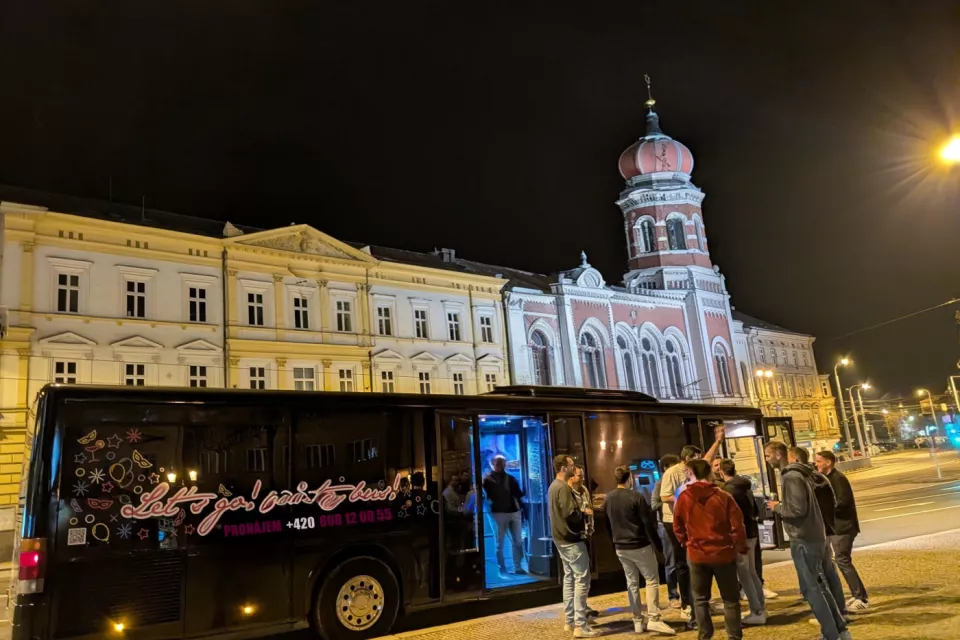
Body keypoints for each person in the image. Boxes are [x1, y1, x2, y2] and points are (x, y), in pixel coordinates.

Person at [765, 441, 851, 640]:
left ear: (778, 454)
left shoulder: (791, 476)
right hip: (814, 535)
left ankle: (831, 633)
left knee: (811, 588)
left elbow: (796, 509)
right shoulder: (803, 474)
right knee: (820, 585)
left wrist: (777, 506)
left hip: (803, 538)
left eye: (768, 455)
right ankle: (839, 630)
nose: (767, 460)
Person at [659, 427, 725, 629]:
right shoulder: (672, 473)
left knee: (697, 562)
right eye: (695, 457)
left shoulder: (696, 468)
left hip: (691, 520)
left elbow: (707, 459)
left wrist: (718, 441)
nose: (700, 460)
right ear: (687, 459)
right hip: (674, 520)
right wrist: (685, 498)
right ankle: (687, 602)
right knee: (682, 564)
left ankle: (700, 603)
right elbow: (664, 496)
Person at [673, 459, 746, 640]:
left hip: (697, 553)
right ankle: (734, 636)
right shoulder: (723, 497)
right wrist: (740, 547)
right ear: (709, 474)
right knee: (730, 599)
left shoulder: (684, 497)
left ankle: (705, 636)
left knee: (700, 599)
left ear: (692, 473)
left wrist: (686, 543)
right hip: (723, 552)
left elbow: (677, 526)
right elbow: (737, 525)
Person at [605, 465, 676, 636]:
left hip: (620, 547)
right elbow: (647, 523)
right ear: (629, 478)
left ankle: (637, 620)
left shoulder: (608, 498)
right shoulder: (635, 497)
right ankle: (654, 618)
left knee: (632, 583)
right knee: (651, 580)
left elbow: (608, 524)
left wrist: (614, 543)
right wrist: (657, 545)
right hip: (639, 545)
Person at [789, 447, 848, 624]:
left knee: (821, 574)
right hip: (824, 529)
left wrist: (778, 506)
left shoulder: (807, 478)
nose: (816, 463)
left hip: (817, 531)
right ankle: (839, 611)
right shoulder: (817, 476)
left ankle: (832, 617)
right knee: (828, 571)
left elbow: (802, 508)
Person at [549, 455, 598, 637]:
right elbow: (571, 514)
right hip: (571, 540)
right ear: (563, 468)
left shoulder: (553, 486)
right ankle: (580, 625)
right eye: (570, 464)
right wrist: (584, 515)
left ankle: (569, 622)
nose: (573, 467)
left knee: (569, 579)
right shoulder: (563, 488)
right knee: (581, 581)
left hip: (560, 539)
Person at [817, 450, 868, 612]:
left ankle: (861, 598)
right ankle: (856, 594)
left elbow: (842, 502)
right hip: (837, 527)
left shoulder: (838, 479)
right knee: (841, 560)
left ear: (828, 462)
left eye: (819, 461)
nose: (816, 464)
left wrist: (825, 509)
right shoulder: (828, 479)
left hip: (843, 527)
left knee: (842, 559)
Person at [717, 459, 767, 625]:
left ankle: (757, 611)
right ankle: (761, 606)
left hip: (742, 535)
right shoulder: (745, 486)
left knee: (744, 574)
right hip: (752, 532)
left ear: (721, 473)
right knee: (752, 572)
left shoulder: (729, 491)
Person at [482, 454, 526, 576]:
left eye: (502, 463)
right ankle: (502, 569)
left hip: (512, 512)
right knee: (500, 543)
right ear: (493, 464)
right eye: (498, 463)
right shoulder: (487, 480)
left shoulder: (510, 479)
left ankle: (517, 566)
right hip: (499, 513)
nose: (500, 466)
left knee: (517, 541)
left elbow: (518, 494)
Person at [652, 454, 682, 608]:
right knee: (671, 562)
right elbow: (654, 503)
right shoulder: (660, 483)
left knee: (683, 561)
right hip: (665, 525)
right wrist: (670, 503)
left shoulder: (680, 481)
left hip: (680, 524)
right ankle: (673, 595)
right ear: (666, 468)